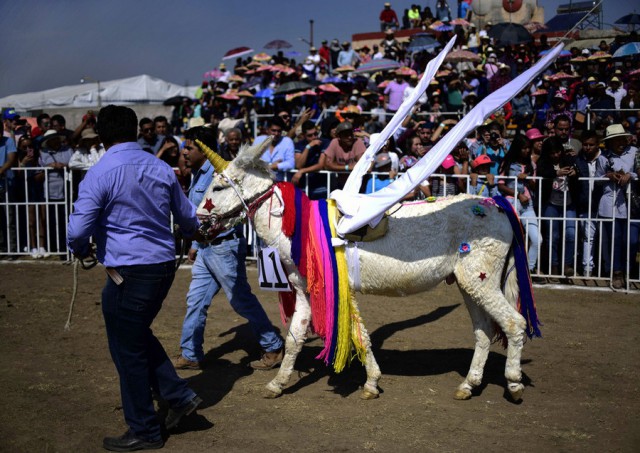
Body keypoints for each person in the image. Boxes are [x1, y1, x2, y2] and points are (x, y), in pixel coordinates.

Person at [67, 105, 203, 451]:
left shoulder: (101, 172)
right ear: (135, 130)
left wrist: (81, 247)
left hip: (128, 271)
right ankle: (177, 394)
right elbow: (187, 217)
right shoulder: (160, 167)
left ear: (101, 134)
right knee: (133, 334)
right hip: (161, 266)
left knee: (127, 348)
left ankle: (145, 429)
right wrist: (194, 232)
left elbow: (78, 229)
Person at [175, 125, 284, 371]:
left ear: (204, 150)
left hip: (224, 247)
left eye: (189, 148)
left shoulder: (222, 173)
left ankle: (273, 345)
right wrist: (195, 243)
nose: (184, 153)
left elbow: (228, 209)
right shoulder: (198, 172)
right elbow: (200, 214)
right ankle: (191, 353)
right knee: (195, 300)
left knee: (240, 300)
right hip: (206, 248)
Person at [595, 124, 639, 289]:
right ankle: (617, 273)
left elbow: (639, 172)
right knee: (615, 240)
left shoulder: (634, 152)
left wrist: (630, 175)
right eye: (616, 139)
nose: (621, 142)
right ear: (610, 142)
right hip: (610, 203)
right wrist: (608, 175)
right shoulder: (603, 157)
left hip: (632, 204)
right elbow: (597, 180)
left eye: (622, 138)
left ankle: (629, 270)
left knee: (632, 240)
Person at [497, 134, 542, 281]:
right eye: (523, 148)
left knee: (537, 239)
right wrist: (517, 193)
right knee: (512, 238)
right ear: (517, 148)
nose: (526, 151)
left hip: (527, 204)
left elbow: (534, 185)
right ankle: (505, 270)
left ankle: (528, 271)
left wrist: (528, 178)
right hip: (512, 202)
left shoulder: (531, 164)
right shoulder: (507, 163)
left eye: (528, 148)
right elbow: (501, 185)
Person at [537, 135, 579, 280]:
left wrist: (575, 173)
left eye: (558, 151)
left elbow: (578, 169)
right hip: (551, 204)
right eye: (552, 153)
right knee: (552, 237)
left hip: (569, 203)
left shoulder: (568, 159)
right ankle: (553, 266)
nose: (556, 155)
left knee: (571, 234)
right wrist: (556, 173)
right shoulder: (543, 163)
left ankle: (567, 265)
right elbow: (542, 172)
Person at [574, 130, 606, 277]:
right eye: (585, 144)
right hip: (585, 204)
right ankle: (587, 268)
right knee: (588, 237)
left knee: (605, 237)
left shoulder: (606, 159)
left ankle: (606, 268)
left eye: (591, 144)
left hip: (605, 204)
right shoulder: (578, 160)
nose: (588, 147)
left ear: (597, 144)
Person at [37, 129, 73, 257]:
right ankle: (54, 247)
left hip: (66, 191)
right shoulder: (44, 152)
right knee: (52, 221)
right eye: (53, 139)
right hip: (50, 193)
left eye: (57, 138)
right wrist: (54, 165)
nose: (56, 140)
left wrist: (61, 165)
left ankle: (66, 248)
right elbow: (46, 164)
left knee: (66, 222)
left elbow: (72, 162)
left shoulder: (68, 149)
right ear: (48, 141)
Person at [16, 136, 48, 259]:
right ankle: (33, 246)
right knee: (31, 221)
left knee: (42, 219)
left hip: (40, 190)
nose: (28, 149)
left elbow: (44, 172)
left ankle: (42, 246)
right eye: (24, 147)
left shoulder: (39, 157)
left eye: (30, 146)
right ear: (20, 148)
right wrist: (23, 163)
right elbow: (18, 175)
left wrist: (41, 174)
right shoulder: (19, 159)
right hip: (27, 191)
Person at [292, 121, 329, 199]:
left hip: (320, 187)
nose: (314, 137)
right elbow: (299, 165)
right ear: (304, 135)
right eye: (310, 135)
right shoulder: (299, 145)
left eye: (315, 134)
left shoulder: (324, 142)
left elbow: (320, 165)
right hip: (303, 187)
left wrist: (302, 171)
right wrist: (308, 147)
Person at [324, 121, 366, 190]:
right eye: (346, 135)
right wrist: (347, 167)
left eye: (351, 134)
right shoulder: (335, 142)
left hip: (357, 185)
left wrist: (336, 166)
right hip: (340, 185)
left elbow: (361, 165)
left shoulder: (358, 142)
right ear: (339, 137)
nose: (349, 137)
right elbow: (327, 165)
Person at [253, 116, 295, 182]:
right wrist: (271, 166)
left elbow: (291, 164)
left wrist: (276, 166)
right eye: (273, 130)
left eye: (279, 131)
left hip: (281, 182)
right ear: (267, 130)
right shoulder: (258, 140)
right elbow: (253, 160)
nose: (276, 133)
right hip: (261, 181)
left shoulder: (287, 141)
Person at [0, 130, 17, 257]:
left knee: (9, 219)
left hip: (7, 185)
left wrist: (1, 170)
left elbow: (11, 159)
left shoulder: (9, 141)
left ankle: (12, 249)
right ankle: (1, 248)